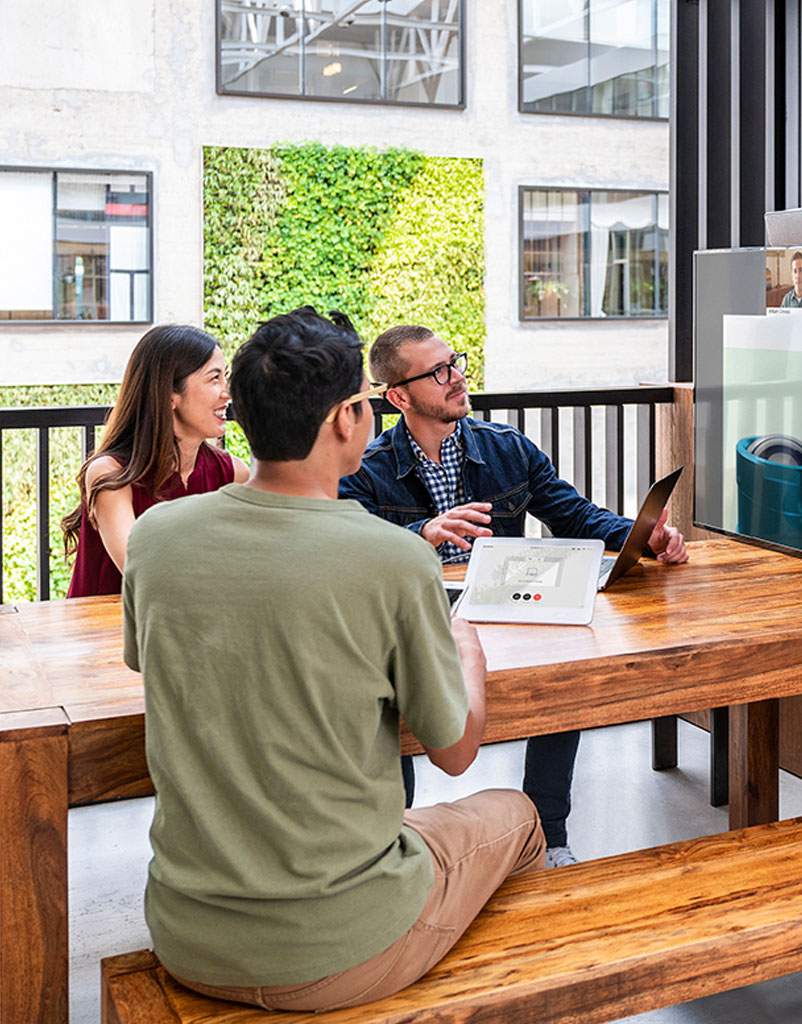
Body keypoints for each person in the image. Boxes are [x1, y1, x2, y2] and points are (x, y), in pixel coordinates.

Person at [121, 307, 544, 1013]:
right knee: (520, 814)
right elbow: (456, 750)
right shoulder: (394, 558)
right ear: (349, 417)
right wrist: (465, 647)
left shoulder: (156, 537)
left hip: (186, 934)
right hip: (340, 946)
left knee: (403, 824)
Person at [338, 324, 688, 868]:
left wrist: (645, 537)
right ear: (398, 397)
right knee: (380, 697)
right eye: (437, 372)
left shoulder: (508, 450)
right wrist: (421, 535)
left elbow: (577, 517)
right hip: (412, 623)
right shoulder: (366, 468)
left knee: (564, 670)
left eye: (454, 362)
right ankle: (390, 838)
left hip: (502, 616)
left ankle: (550, 835)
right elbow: (349, 551)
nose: (456, 378)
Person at [61, 324, 249, 597]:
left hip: (188, 631)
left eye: (226, 378)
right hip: (103, 634)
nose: (227, 393)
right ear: (170, 394)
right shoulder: (111, 475)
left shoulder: (233, 473)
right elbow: (144, 573)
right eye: (214, 379)